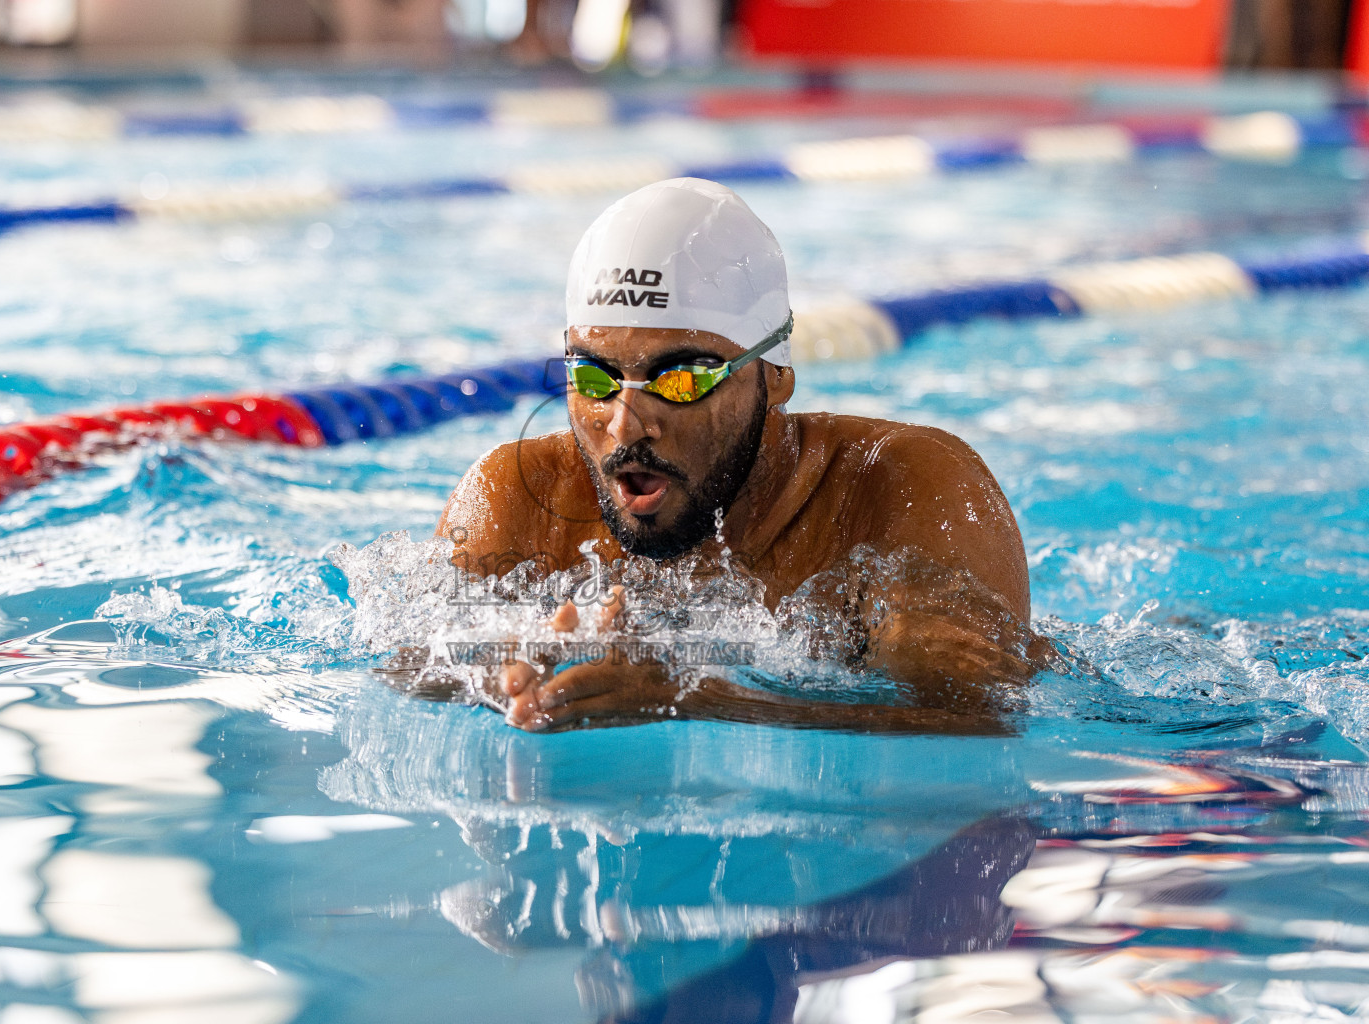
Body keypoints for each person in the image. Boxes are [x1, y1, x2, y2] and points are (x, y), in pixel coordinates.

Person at [436, 178, 1047, 733]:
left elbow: (973, 721)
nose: (625, 426)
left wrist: (706, 700)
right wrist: (486, 676)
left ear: (775, 373)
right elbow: (405, 662)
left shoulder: (903, 489)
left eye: (680, 377)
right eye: (594, 378)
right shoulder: (517, 494)